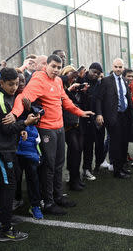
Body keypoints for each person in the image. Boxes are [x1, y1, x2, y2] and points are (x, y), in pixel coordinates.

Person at [10, 54, 94, 215]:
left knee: (58, 164)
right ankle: (48, 202)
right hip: (46, 129)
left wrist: (80, 112)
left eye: (58, 67)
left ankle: (57, 196)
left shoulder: (58, 81)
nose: (55, 70)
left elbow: (65, 101)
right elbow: (23, 97)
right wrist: (14, 114)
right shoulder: (38, 79)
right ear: (46, 65)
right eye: (53, 66)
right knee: (48, 166)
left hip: (59, 127)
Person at [0, 67, 40, 241]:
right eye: (10, 84)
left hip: (8, 147)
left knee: (11, 181)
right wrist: (25, 123)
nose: (14, 87)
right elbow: (6, 127)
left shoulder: (10, 96)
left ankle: (2, 216)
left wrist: (20, 130)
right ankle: (5, 229)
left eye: (16, 84)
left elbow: (10, 127)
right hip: (0, 150)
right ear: (1, 82)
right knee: (8, 185)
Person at [96, 58, 133, 179]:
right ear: (112, 67)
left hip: (125, 115)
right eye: (116, 67)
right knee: (116, 144)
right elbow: (98, 99)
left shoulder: (124, 80)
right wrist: (99, 114)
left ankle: (122, 167)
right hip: (113, 116)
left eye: (120, 67)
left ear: (123, 68)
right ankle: (117, 171)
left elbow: (126, 97)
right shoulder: (106, 81)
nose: (118, 69)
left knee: (124, 142)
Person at [77, 63, 105, 177]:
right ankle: (81, 171)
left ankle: (95, 166)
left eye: (98, 73)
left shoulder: (100, 82)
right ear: (89, 70)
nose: (95, 75)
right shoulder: (81, 80)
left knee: (97, 144)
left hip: (96, 117)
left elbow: (99, 99)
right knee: (84, 146)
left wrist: (99, 114)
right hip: (82, 118)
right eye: (94, 72)